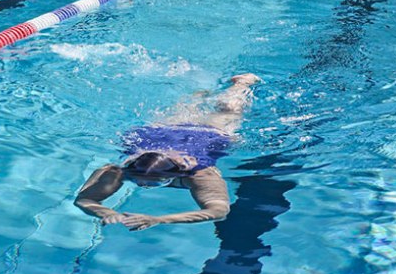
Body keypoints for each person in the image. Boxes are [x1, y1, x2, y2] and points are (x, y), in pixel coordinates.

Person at [75, 73, 259, 231]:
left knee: (229, 112)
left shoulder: (201, 175)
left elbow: (218, 211)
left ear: (175, 173)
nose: (144, 186)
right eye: (136, 180)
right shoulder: (117, 171)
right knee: (188, 107)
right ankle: (202, 89)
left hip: (205, 138)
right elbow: (84, 200)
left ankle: (242, 83)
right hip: (159, 135)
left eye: (155, 183)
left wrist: (159, 219)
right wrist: (108, 212)